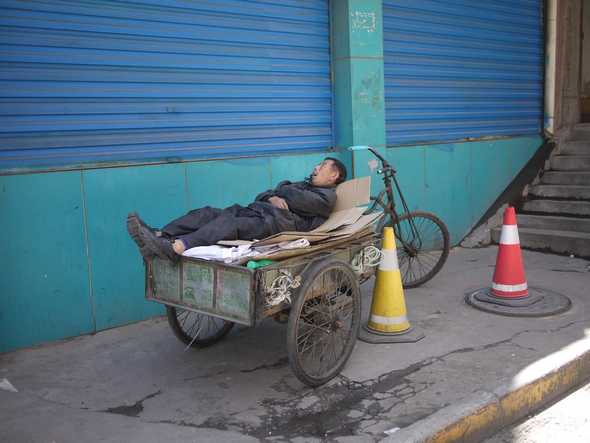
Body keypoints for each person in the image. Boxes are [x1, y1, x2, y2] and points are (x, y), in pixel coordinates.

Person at [127, 157, 347, 262]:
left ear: (333, 175)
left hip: (271, 225)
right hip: (258, 211)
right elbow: (265, 193)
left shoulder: (326, 198)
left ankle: (177, 247)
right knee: (208, 213)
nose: (316, 168)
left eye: (322, 166)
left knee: (230, 224)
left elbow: (290, 193)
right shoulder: (304, 185)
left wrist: (281, 190)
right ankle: (159, 236)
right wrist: (273, 195)